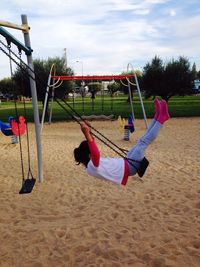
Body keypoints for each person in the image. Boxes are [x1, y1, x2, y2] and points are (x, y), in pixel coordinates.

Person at [74, 98, 170, 186]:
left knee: (142, 140)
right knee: (144, 142)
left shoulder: (90, 165)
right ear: (88, 155)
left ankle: (157, 116)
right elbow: (96, 153)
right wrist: (87, 134)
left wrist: (89, 131)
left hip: (127, 161)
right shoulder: (92, 166)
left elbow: (92, 149)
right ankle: (161, 118)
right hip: (130, 166)